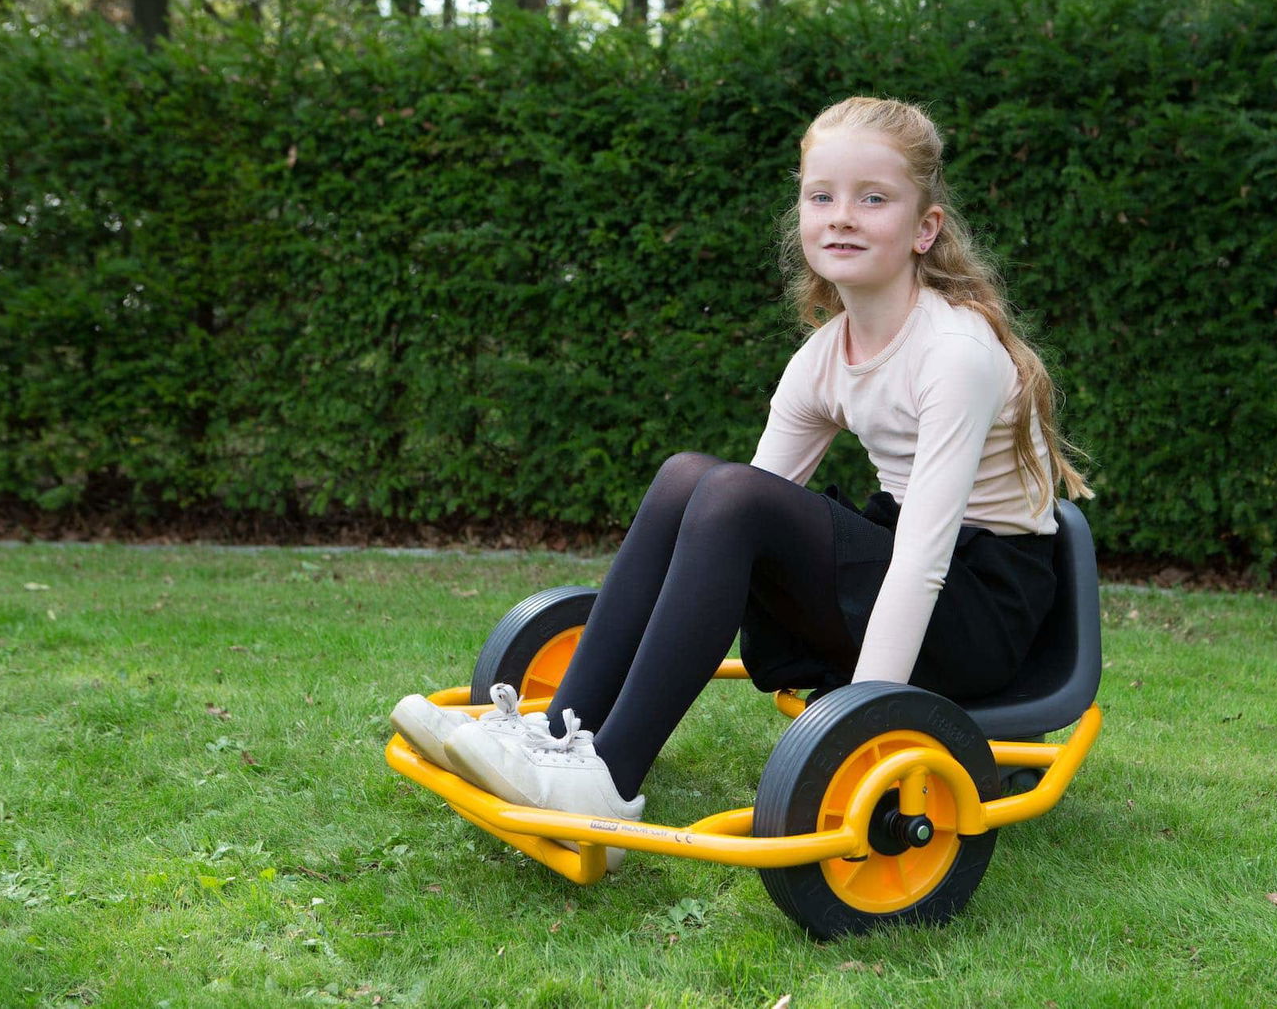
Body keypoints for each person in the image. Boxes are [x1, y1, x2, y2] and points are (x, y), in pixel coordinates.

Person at [391, 96, 1091, 850]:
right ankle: (562, 735)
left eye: (874, 199)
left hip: (980, 611)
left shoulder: (955, 354)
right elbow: (726, 523)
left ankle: (610, 777)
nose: (842, 217)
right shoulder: (825, 354)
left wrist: (862, 726)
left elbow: (921, 561)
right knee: (688, 478)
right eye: (821, 197)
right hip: (907, 568)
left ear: (926, 229)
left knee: (728, 494)